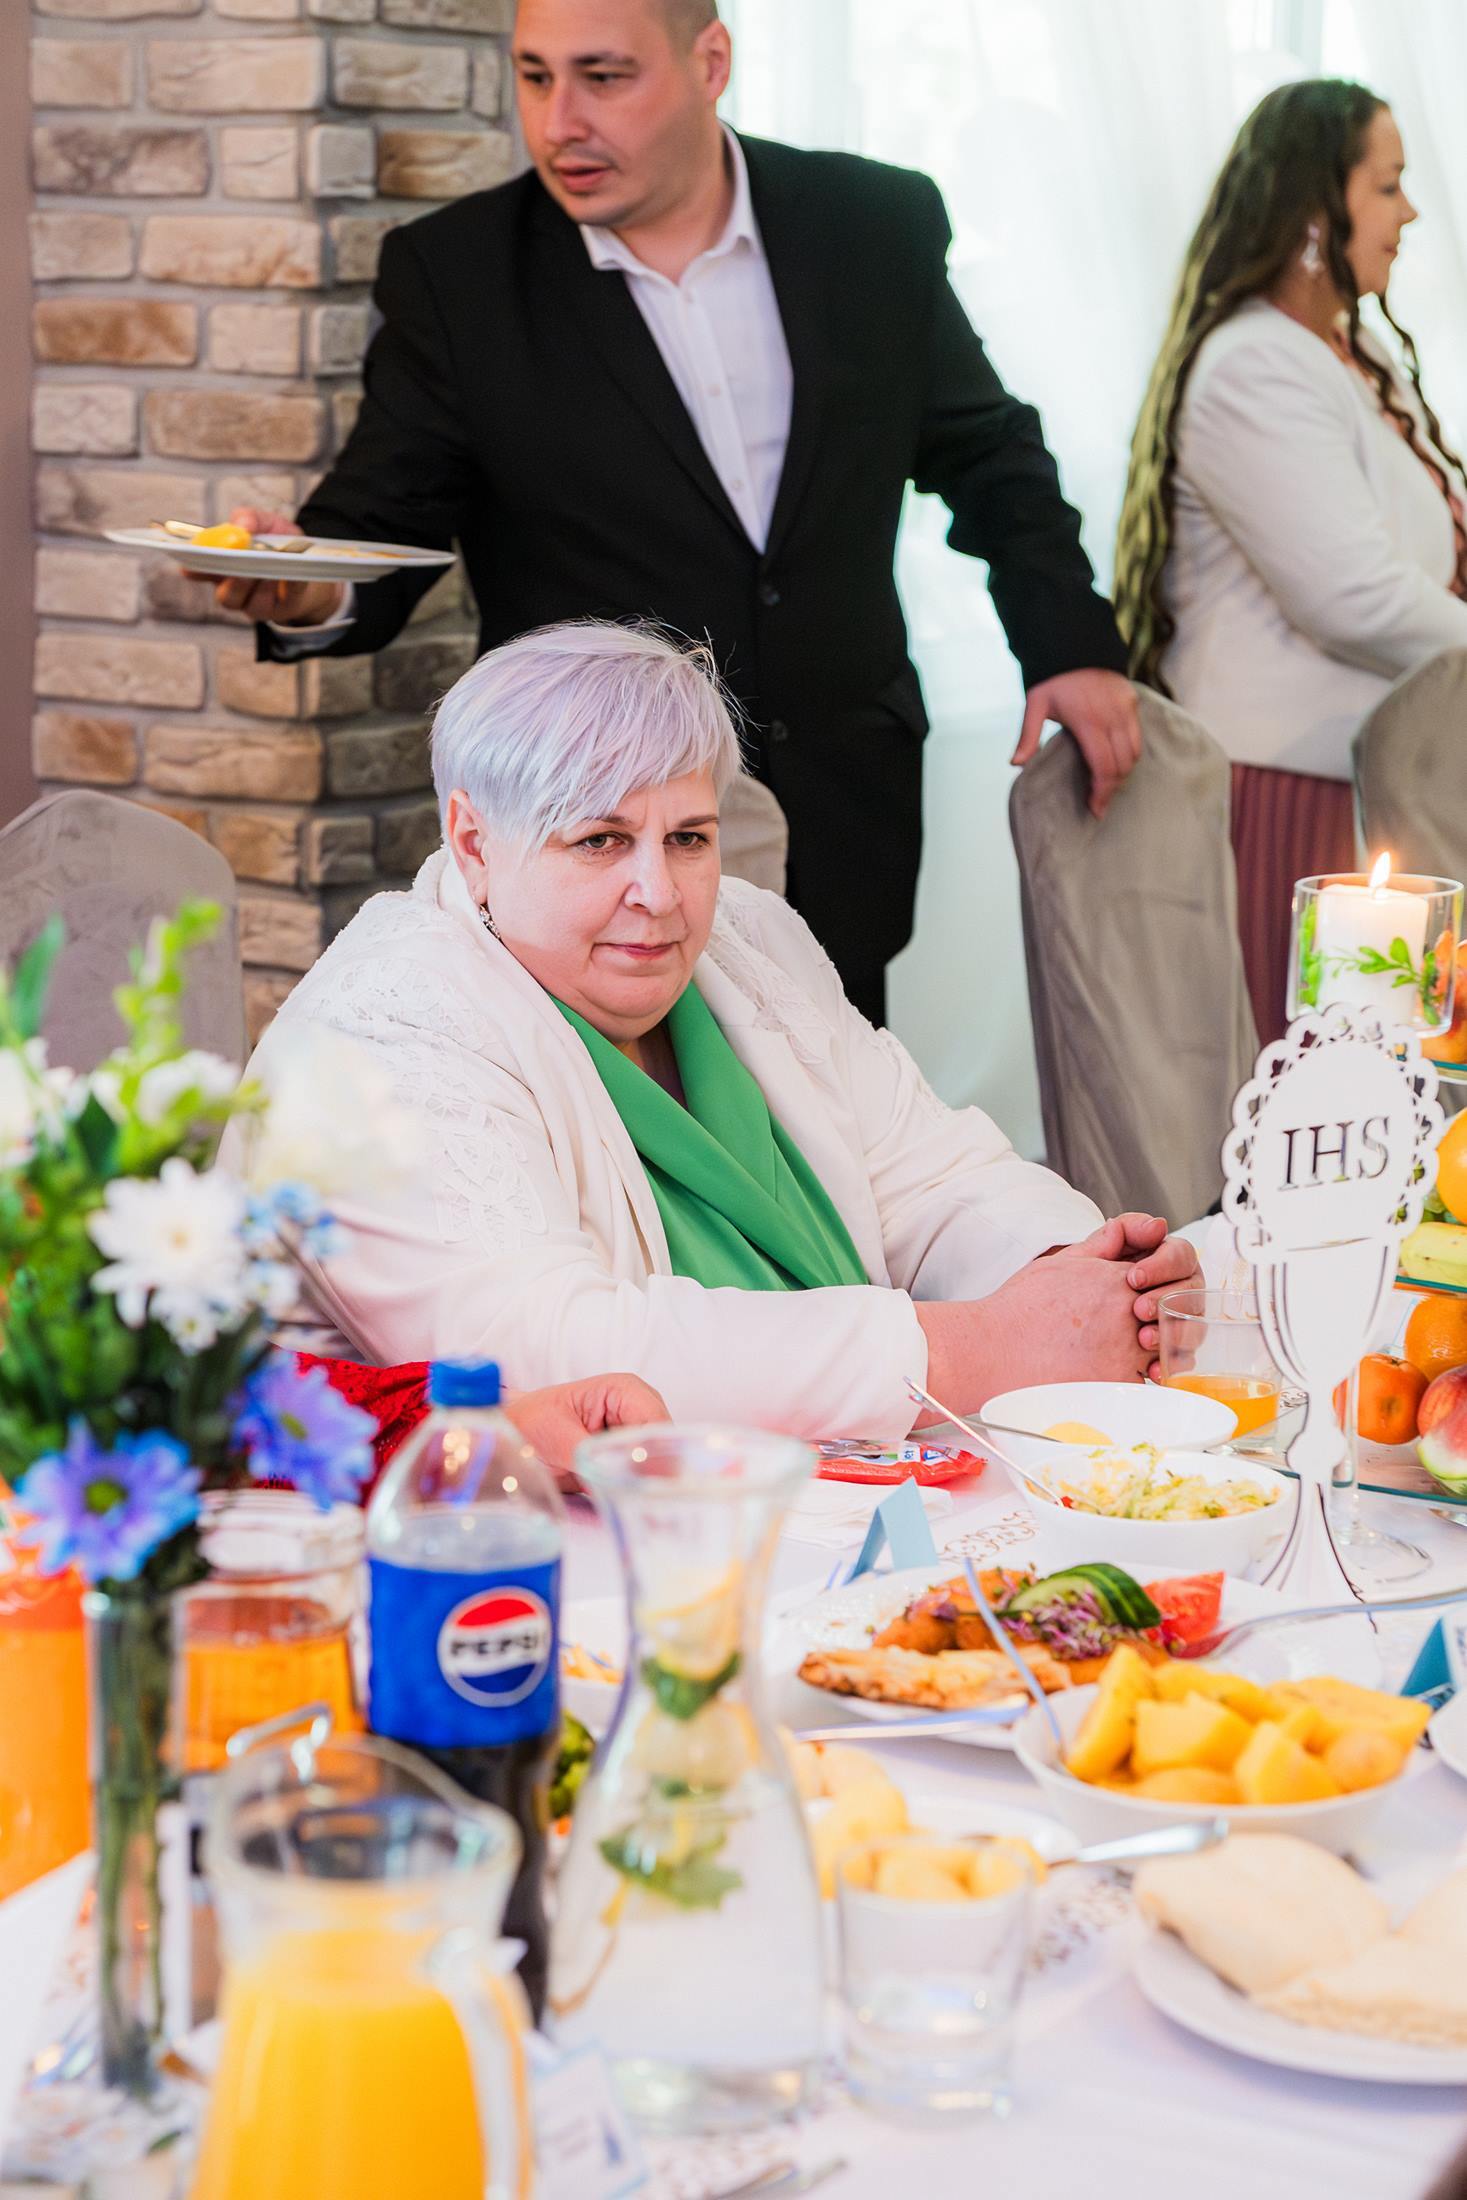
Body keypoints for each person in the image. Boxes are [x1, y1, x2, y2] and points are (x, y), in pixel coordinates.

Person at [201, 0, 1139, 1028]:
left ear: (710, 61)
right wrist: (302, 585)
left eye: (603, 77)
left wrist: (1068, 641)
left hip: (839, 803)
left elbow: (987, 452)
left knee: (838, 1107)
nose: (559, 121)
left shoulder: (872, 222)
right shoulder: (456, 273)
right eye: (535, 76)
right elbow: (386, 519)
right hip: (588, 851)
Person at [235, 621, 1196, 1440]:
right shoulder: (378, 1035)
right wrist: (972, 1351)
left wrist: (1083, 1281)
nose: (659, 894)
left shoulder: (747, 938)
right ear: (474, 842)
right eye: (600, 841)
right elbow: (550, 1356)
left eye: (687, 837)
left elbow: (930, 1175)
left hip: (833, 1485)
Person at [1115, 80, 1467, 1045]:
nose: (1408, 213)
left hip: (1370, 782)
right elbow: (1354, 598)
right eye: (1386, 187)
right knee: (1320, 1094)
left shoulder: (1350, 355)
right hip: (1289, 799)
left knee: (1395, 1085)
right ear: (1316, 212)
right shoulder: (1254, 365)